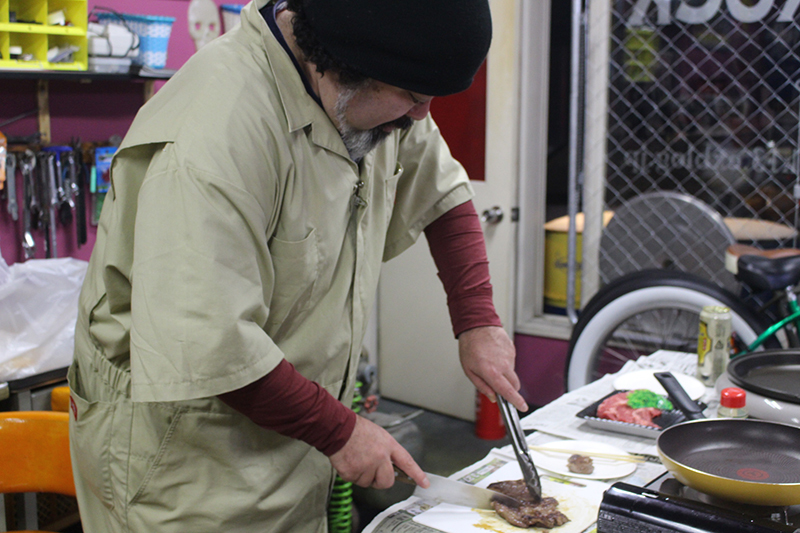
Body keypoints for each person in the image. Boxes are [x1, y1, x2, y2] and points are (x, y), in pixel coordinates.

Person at [67, 0, 528, 531]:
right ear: (338, 66)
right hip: (184, 460)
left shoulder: (379, 85)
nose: (420, 116)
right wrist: (341, 432)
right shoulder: (215, 135)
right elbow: (209, 340)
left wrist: (478, 320)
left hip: (289, 431)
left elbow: (442, 191)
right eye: (413, 99)